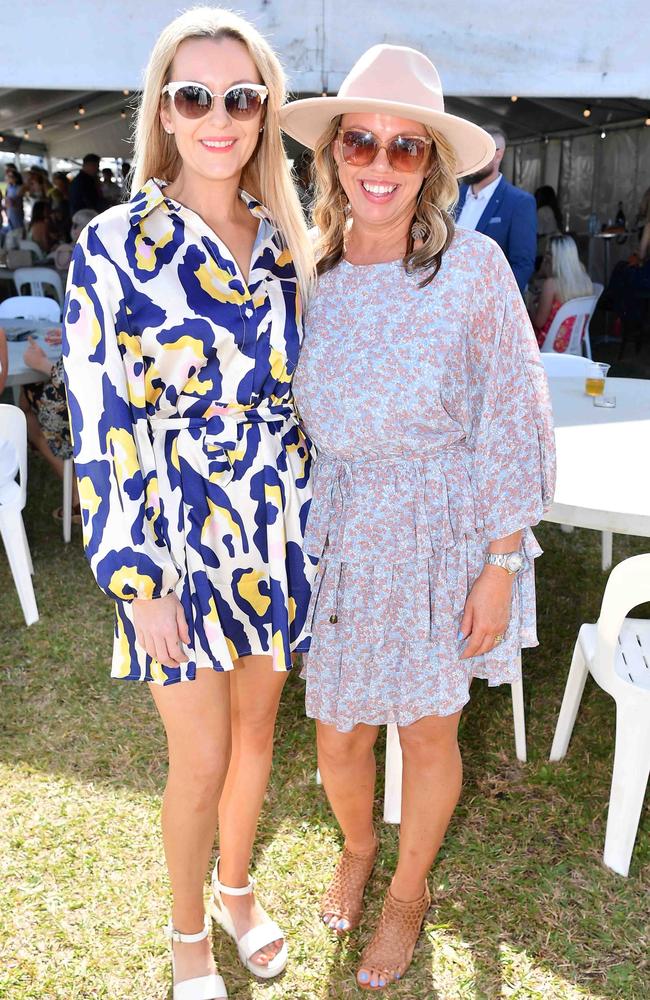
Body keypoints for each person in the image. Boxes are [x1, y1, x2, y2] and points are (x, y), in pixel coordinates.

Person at [281, 44, 556, 991]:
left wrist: (500, 561)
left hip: (442, 530)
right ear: (332, 157)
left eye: (406, 149)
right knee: (338, 735)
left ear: (432, 167)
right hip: (342, 532)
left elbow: (514, 417)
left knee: (428, 734)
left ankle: (406, 892)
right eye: (362, 142)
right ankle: (356, 848)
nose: (381, 164)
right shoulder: (301, 273)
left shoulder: (474, 270)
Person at [62, 8, 316, 999]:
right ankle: (186, 937)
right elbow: (99, 415)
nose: (218, 115)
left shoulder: (291, 241)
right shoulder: (114, 245)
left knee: (257, 736)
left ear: (263, 113)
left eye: (240, 97)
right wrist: (137, 580)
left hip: (274, 518)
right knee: (200, 756)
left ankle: (239, 888)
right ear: (163, 111)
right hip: (171, 527)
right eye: (194, 95)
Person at [456, 126, 537, 292]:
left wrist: (491, 304)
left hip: (486, 305)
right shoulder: (454, 196)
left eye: (479, 153)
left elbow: (522, 265)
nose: (471, 160)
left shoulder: (519, 202)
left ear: (498, 155)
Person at [20, 332, 81, 521]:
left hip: (81, 406)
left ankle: (77, 497)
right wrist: (74, 334)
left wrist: (41, 363)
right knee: (29, 395)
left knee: (27, 415)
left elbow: (72, 384)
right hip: (109, 403)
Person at [530, 234, 593, 351]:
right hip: (573, 343)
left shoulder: (551, 285)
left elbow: (539, 322)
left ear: (554, 259)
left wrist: (529, 305)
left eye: (548, 255)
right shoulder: (585, 281)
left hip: (548, 345)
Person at [534, 184, 562, 259]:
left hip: (545, 245)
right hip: (556, 244)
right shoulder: (553, 210)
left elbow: (537, 233)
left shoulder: (542, 211)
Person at [4, 166, 25, 234]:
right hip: (10, 212)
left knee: (18, 230)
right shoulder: (9, 188)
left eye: (10, 176)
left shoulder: (20, 187)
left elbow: (12, 201)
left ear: (16, 178)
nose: (8, 178)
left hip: (17, 211)